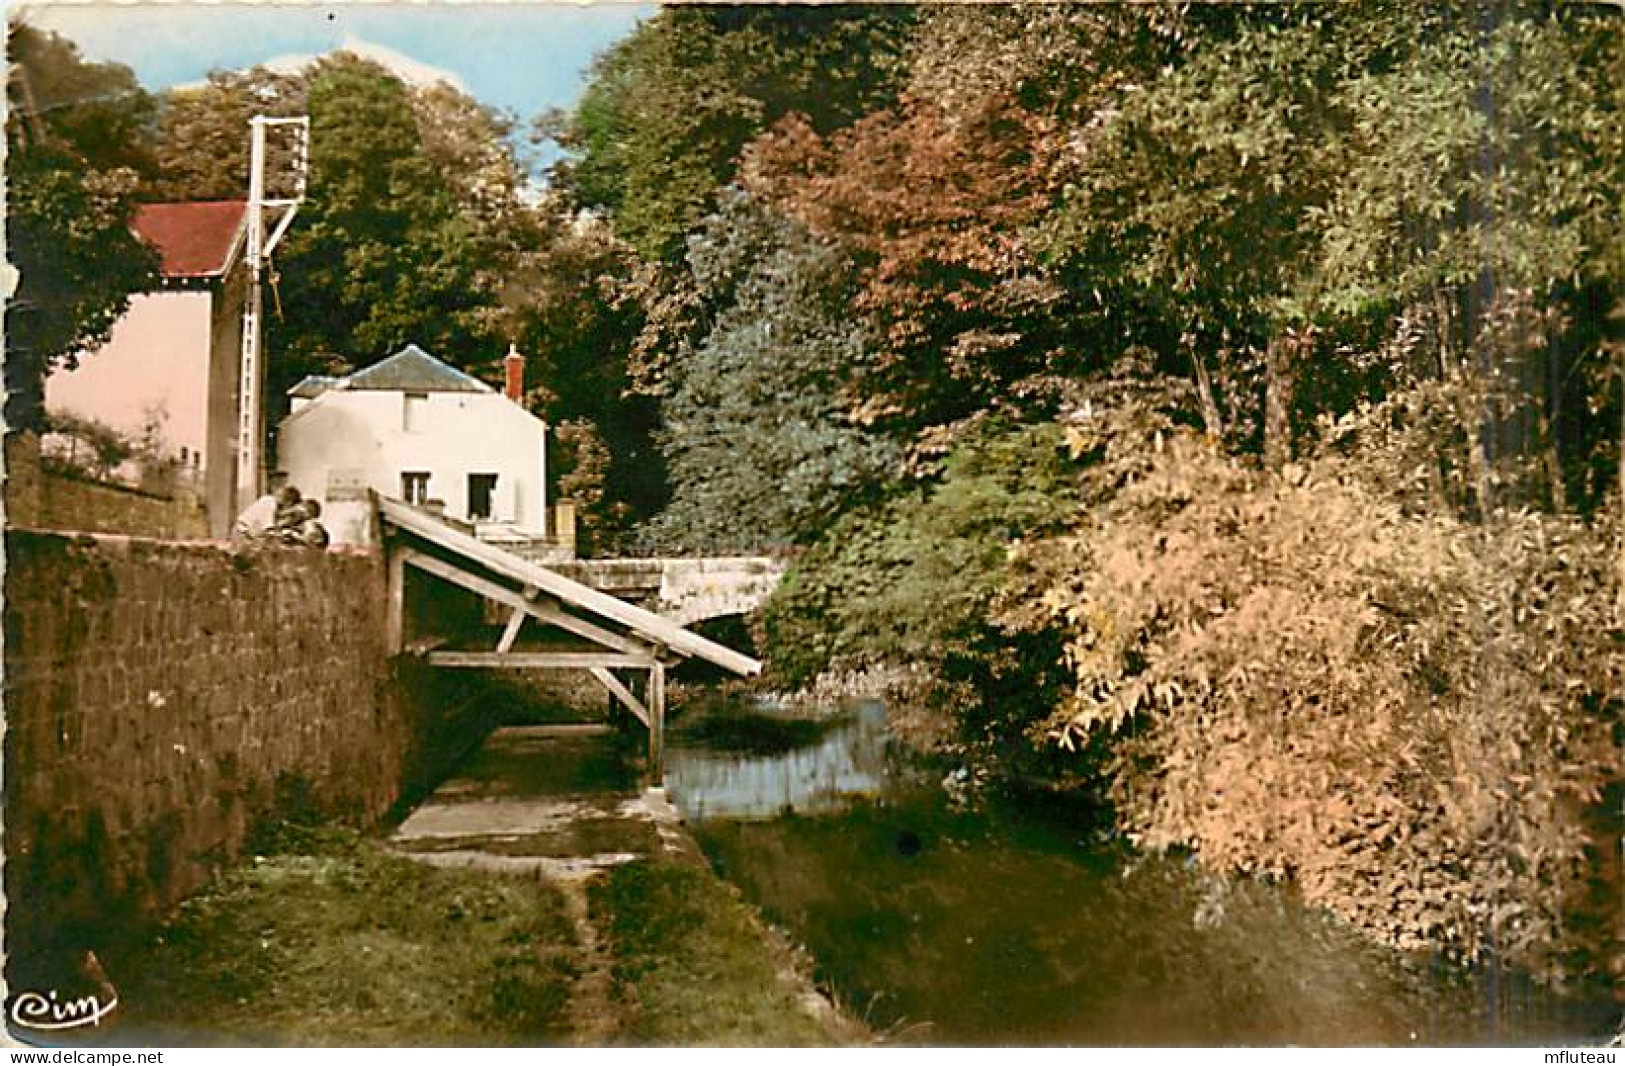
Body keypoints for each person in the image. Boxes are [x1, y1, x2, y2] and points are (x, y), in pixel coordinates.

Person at [233, 485, 301, 540]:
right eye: (290, 506)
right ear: (289, 503)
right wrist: (284, 535)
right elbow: (269, 530)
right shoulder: (269, 503)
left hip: (248, 533)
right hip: (242, 533)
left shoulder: (271, 501)